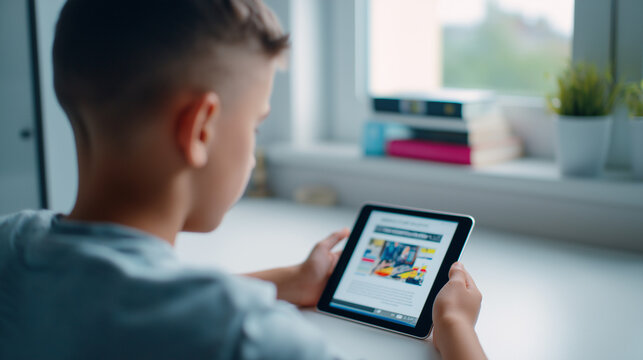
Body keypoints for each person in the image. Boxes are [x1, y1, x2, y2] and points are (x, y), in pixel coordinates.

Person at [0, 0, 486, 359]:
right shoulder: (248, 337)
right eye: (255, 125)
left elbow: (111, 295)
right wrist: (456, 326)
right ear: (201, 130)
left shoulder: (12, 244)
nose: (254, 150)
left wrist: (290, 282)